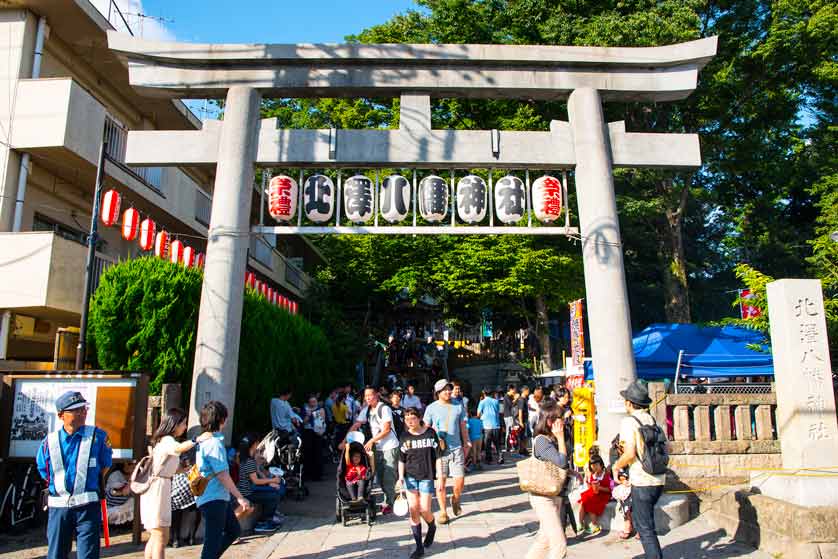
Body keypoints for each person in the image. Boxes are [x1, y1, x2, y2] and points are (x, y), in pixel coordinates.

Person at [36, 391, 112, 559]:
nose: (82, 413)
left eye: (84, 409)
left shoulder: (98, 437)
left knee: (88, 555)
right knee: (56, 554)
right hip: (58, 507)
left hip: (88, 507)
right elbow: (44, 471)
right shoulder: (49, 442)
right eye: (76, 410)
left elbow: (105, 465)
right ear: (61, 415)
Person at [141, 408, 210, 559]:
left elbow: (169, 467)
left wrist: (183, 469)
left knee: (157, 535)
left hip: (160, 487)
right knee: (161, 536)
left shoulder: (164, 441)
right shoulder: (167, 440)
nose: (185, 427)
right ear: (174, 424)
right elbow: (178, 448)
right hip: (158, 489)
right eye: (183, 423)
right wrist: (196, 440)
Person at [611, 380, 667, 559]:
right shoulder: (650, 419)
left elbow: (629, 453)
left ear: (629, 403)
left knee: (645, 529)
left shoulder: (629, 422)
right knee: (647, 525)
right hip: (658, 478)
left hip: (642, 479)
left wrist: (616, 466)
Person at [195, 401, 252, 559]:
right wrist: (240, 497)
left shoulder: (204, 439)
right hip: (213, 496)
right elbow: (222, 474)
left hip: (216, 495)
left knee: (233, 530)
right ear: (221, 419)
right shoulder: (213, 443)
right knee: (212, 540)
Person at [346, 386, 401, 513]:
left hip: (390, 446)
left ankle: (390, 504)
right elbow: (356, 424)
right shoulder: (366, 410)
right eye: (366, 396)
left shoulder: (384, 408)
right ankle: (389, 498)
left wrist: (371, 441)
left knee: (388, 476)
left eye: (370, 395)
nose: (368, 398)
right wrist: (345, 441)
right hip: (378, 448)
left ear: (377, 395)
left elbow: (386, 430)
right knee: (379, 476)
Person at [526, 400, 569, 559]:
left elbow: (555, 464)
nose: (563, 421)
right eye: (560, 418)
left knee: (544, 540)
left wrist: (572, 472)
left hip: (551, 495)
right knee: (559, 545)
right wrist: (561, 437)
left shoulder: (548, 439)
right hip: (543, 498)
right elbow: (561, 462)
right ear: (550, 421)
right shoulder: (543, 440)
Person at [423, 379, 470, 524]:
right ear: (438, 392)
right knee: (441, 483)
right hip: (440, 451)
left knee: (459, 482)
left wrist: (466, 441)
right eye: (445, 390)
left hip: (456, 448)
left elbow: (462, 425)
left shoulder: (458, 405)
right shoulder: (431, 408)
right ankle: (443, 512)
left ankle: (455, 498)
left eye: (449, 389)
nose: (448, 392)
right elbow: (426, 427)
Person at [397, 407, 441, 559]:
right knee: (413, 509)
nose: (410, 422)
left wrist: (440, 476)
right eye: (407, 419)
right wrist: (400, 477)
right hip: (410, 477)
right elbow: (401, 460)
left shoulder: (430, 433)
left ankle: (432, 525)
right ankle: (419, 547)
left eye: (413, 418)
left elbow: (439, 456)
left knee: (424, 509)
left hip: (427, 476)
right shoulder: (404, 437)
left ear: (419, 418)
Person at [236, 434, 283, 533]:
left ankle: (269, 517)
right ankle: (265, 521)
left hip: (249, 489)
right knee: (274, 495)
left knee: (275, 490)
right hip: (248, 493)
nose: (258, 446)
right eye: (257, 444)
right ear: (252, 445)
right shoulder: (249, 461)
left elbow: (257, 474)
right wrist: (272, 481)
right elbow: (255, 481)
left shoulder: (243, 458)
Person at [577, 454, 612, 535]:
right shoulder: (593, 475)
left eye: (596, 465)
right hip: (594, 493)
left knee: (590, 502)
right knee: (583, 501)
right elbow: (590, 487)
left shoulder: (606, 474)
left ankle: (595, 525)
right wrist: (589, 482)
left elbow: (609, 489)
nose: (594, 467)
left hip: (603, 494)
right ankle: (580, 523)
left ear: (601, 464)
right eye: (592, 465)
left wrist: (599, 488)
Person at [302, 395, 327, 481]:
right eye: (311, 402)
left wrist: (318, 414)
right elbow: (303, 422)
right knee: (308, 453)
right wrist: (308, 415)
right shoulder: (305, 409)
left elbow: (323, 420)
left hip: (318, 432)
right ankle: (308, 474)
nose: (313, 404)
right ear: (308, 403)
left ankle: (318, 474)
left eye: (314, 402)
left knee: (318, 453)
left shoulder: (320, 409)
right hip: (308, 432)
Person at [477, 390, 503, 464]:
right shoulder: (496, 401)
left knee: (487, 443)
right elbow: (499, 411)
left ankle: (489, 459)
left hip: (486, 426)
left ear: (484, 393)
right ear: (491, 394)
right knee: (497, 443)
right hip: (496, 425)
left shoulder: (482, 402)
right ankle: (500, 457)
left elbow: (478, 414)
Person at [613, 470, 634, 539]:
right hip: (625, 500)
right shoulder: (621, 487)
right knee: (626, 513)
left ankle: (629, 529)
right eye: (622, 480)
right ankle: (628, 528)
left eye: (625, 479)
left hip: (634, 493)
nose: (624, 481)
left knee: (630, 512)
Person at [502, 385, 517, 455]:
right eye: (514, 390)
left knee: (510, 431)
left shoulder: (509, 397)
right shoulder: (506, 396)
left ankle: (510, 446)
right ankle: (508, 446)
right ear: (510, 389)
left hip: (509, 416)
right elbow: (511, 404)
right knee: (509, 431)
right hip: (508, 416)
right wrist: (516, 399)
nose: (514, 391)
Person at [516, 386, 531, 455]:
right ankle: (522, 450)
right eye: (528, 390)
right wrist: (521, 421)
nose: (529, 391)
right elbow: (520, 411)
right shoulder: (521, 399)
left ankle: (523, 449)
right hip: (523, 420)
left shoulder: (525, 399)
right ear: (524, 391)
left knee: (525, 436)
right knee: (523, 436)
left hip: (525, 419)